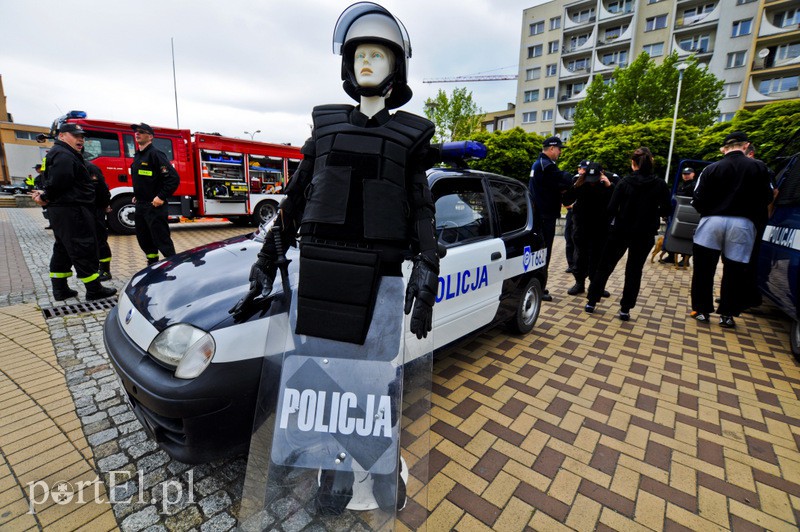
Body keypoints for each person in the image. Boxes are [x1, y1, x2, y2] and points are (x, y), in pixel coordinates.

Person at [232, 1, 438, 515]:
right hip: (321, 273)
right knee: (321, 382)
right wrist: (264, 257)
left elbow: (420, 209)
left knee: (371, 385)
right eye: (359, 54)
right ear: (348, 65)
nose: (367, 62)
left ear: (397, 68)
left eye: (377, 54)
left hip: (384, 281)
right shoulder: (324, 129)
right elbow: (297, 198)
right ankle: (332, 475)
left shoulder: (411, 136)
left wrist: (429, 266)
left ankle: (370, 473)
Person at [690, 132, 773, 327]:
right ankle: (727, 314)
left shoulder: (711, 168)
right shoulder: (759, 167)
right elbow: (767, 197)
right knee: (735, 270)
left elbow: (697, 198)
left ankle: (702, 310)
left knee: (704, 267)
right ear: (746, 146)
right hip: (742, 224)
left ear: (724, 149)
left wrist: (710, 211)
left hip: (712, 221)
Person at [31, 124, 116, 301]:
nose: (81, 139)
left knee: (62, 248)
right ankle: (94, 290)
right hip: (72, 210)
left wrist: (47, 196)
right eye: (76, 135)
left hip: (64, 210)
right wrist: (47, 195)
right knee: (81, 247)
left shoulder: (59, 153)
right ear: (62, 136)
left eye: (82, 136)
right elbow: (61, 181)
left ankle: (60, 289)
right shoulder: (64, 154)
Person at [585, 147, 671, 321]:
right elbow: (667, 209)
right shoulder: (660, 184)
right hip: (645, 233)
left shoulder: (624, 182)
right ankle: (625, 309)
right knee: (634, 270)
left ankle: (592, 301)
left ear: (633, 164)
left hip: (621, 230)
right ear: (650, 162)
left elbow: (611, 208)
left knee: (605, 265)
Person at [529, 136, 573, 302]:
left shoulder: (540, 164)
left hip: (542, 215)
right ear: (552, 148)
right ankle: (539, 289)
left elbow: (553, 185)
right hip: (544, 217)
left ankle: (539, 287)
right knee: (543, 254)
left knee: (541, 253)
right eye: (559, 149)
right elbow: (565, 179)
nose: (560, 152)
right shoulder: (545, 165)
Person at [563, 161, 615, 296]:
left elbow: (615, 204)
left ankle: (596, 286)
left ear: (601, 174)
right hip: (581, 229)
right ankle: (579, 283)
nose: (592, 182)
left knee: (597, 259)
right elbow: (566, 200)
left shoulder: (607, 184)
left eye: (595, 179)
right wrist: (574, 186)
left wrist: (609, 186)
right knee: (580, 257)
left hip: (600, 229)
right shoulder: (579, 183)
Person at [130, 122, 179, 265]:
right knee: (144, 238)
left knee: (161, 238)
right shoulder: (138, 155)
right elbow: (145, 178)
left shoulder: (155, 154)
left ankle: (174, 265)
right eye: (136, 132)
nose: (137, 134)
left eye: (141, 131)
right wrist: (138, 194)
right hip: (141, 204)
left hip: (154, 206)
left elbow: (172, 178)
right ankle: (152, 264)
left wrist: (161, 196)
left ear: (150, 136)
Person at [660, 167, 697, 266]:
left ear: (693, 174)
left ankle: (685, 260)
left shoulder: (695, 186)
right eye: (684, 173)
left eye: (688, 173)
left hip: (689, 214)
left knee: (686, 235)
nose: (686, 175)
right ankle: (671, 255)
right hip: (676, 213)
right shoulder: (680, 185)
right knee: (672, 234)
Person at [85, 157, 113, 280]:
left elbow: (103, 189)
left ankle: (105, 270)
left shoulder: (91, 168)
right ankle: (94, 268)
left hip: (95, 210)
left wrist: (105, 205)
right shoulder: (74, 167)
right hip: (83, 210)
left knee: (100, 240)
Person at [32, 163, 51, 229]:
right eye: (36, 169)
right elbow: (36, 187)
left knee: (50, 210)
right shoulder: (37, 178)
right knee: (46, 210)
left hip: (47, 195)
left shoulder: (47, 175)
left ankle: (54, 224)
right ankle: (51, 224)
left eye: (37, 168)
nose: (36, 170)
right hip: (41, 196)